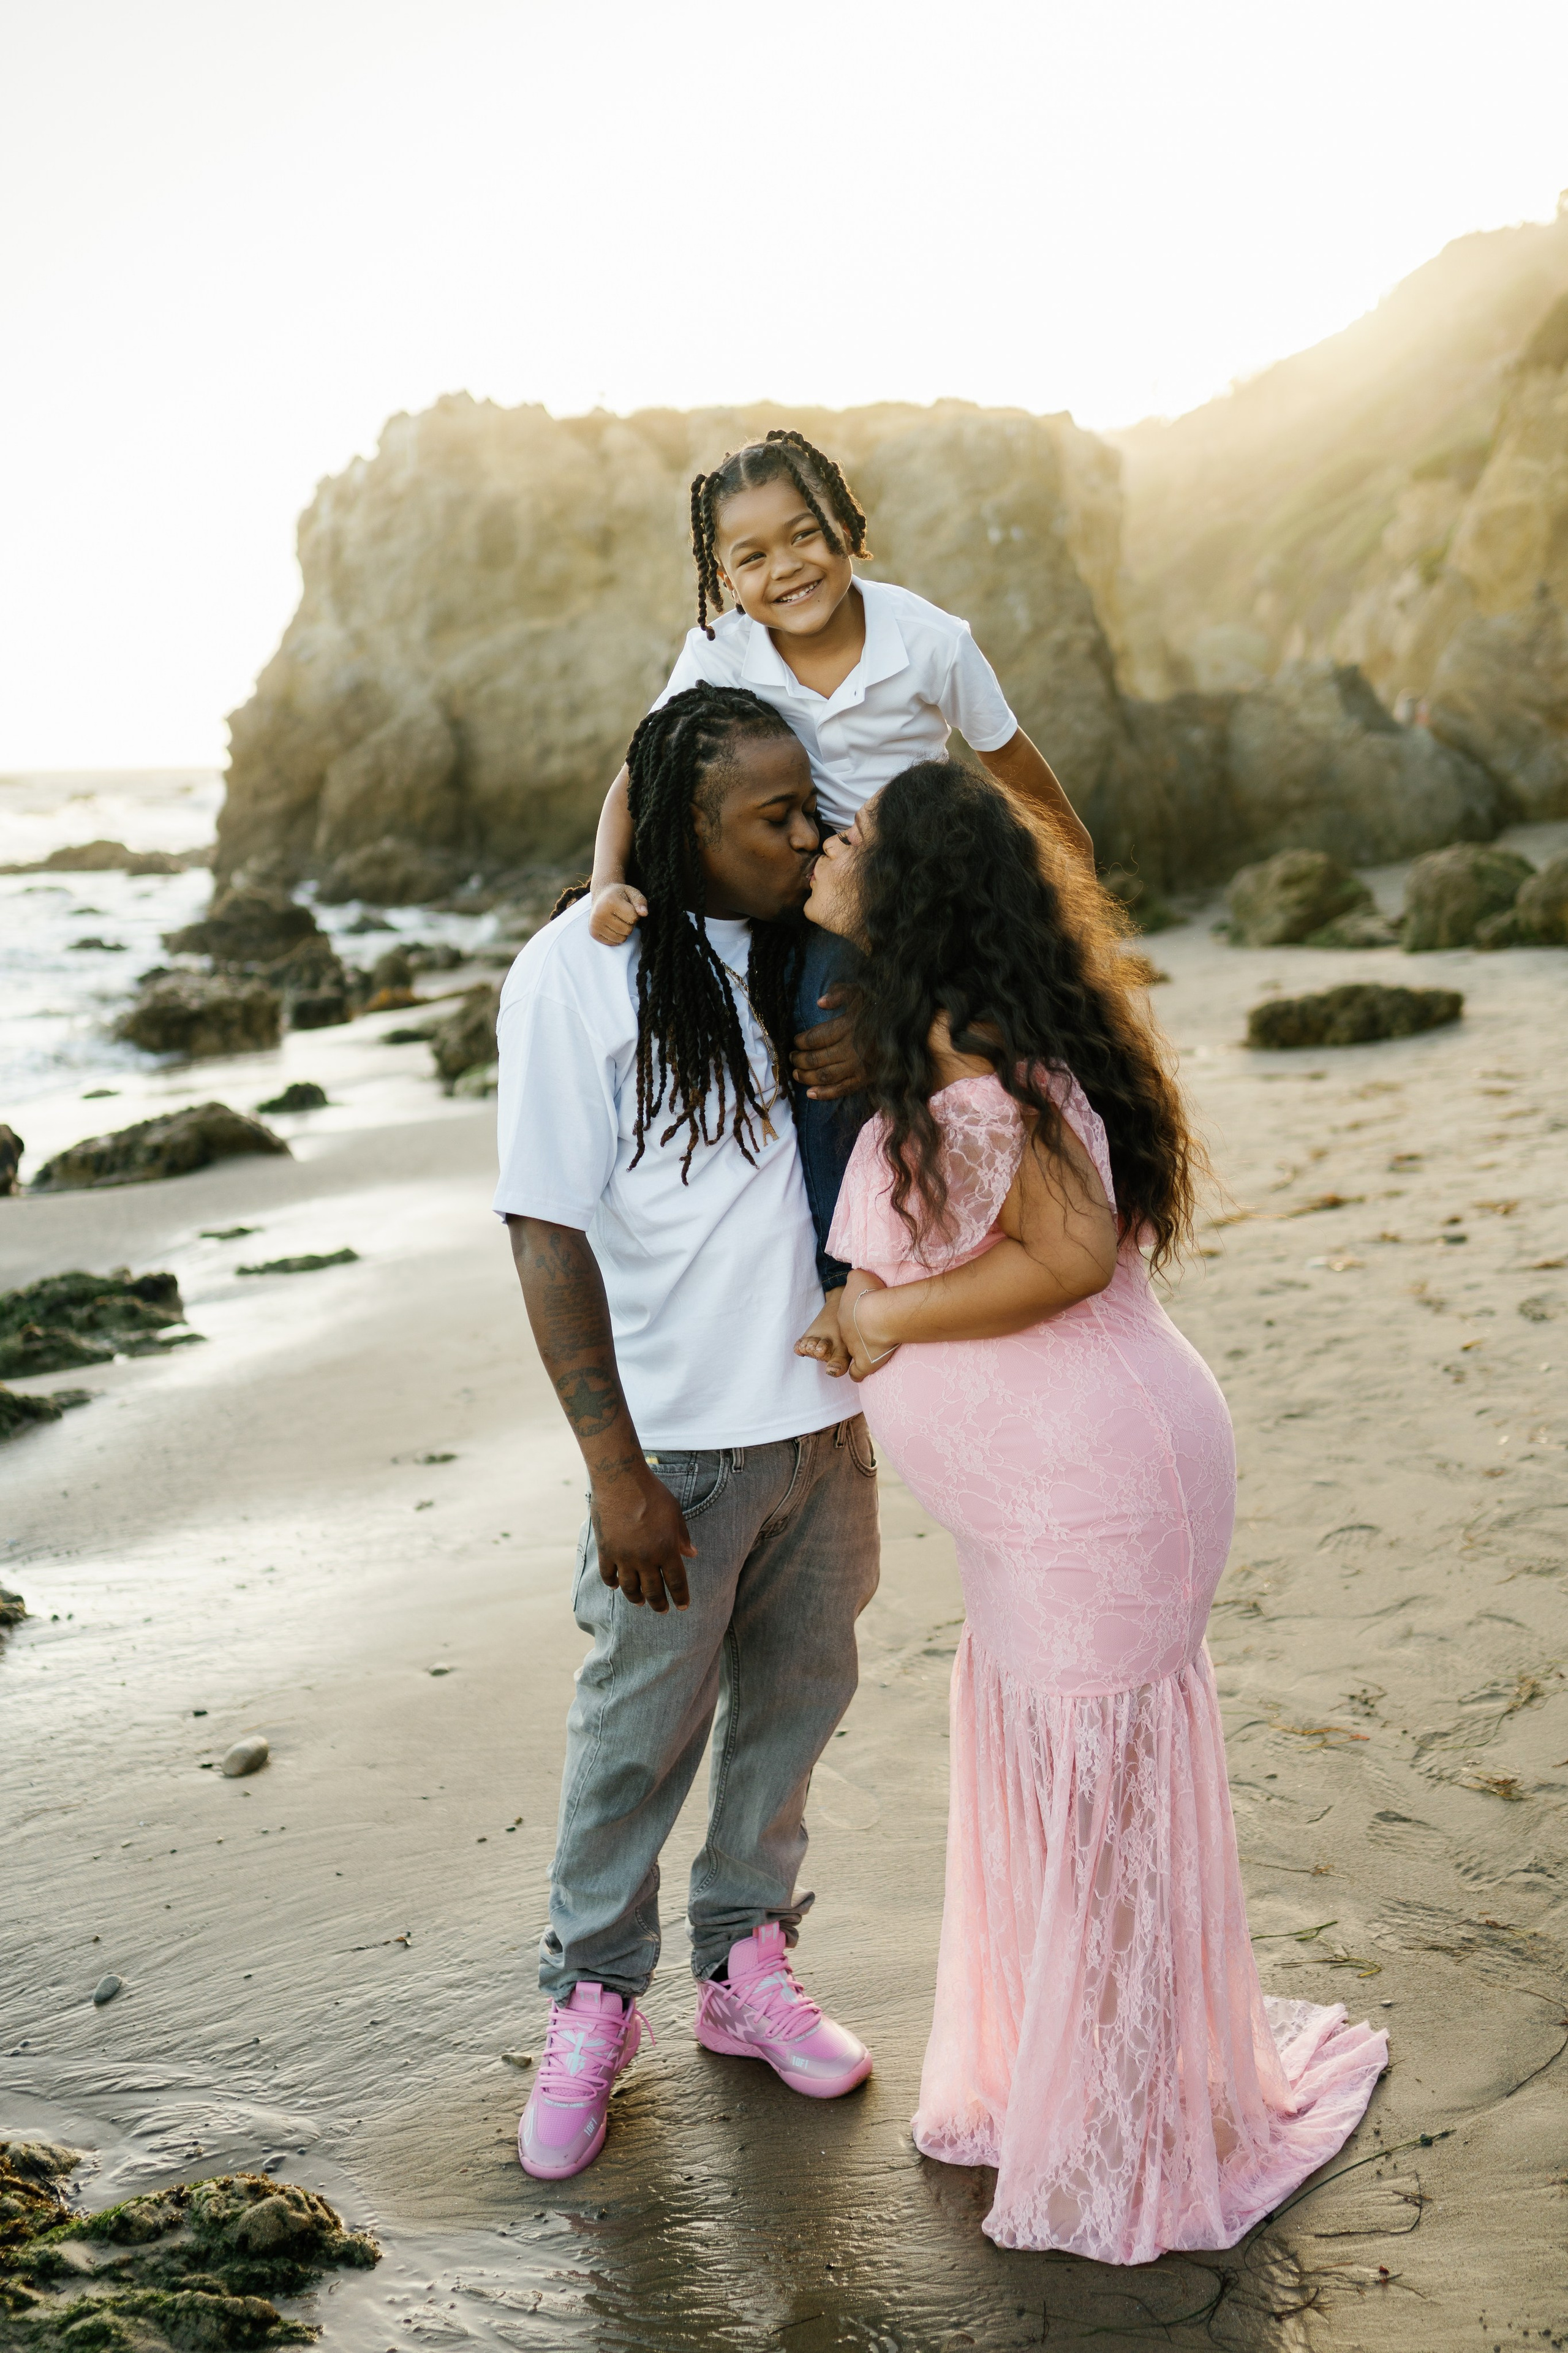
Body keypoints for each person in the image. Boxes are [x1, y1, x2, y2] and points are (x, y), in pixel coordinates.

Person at [800, 763, 1388, 2264]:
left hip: (1102, 1485)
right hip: (1041, 1504)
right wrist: (875, 1312)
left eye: (852, 833)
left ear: (913, 884)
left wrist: (884, 1320)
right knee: (1070, 1794)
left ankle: (1121, 2133)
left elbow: (1062, 1260)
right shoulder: (942, 1039)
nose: (823, 842)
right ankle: (1074, 2083)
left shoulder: (991, 1048)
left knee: (1096, 1798)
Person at [493, 681, 880, 2184]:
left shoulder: (819, 953)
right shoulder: (578, 970)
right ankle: (592, 1998)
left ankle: (744, 1968)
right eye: (770, 816)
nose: (807, 834)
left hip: (826, 1427)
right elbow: (544, 1227)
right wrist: (614, 1471)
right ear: (678, 827)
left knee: (794, 1714)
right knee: (632, 1742)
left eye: (809, 805)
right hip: (677, 1455)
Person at [584, 428, 1094, 1358]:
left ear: (846, 527)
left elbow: (1017, 771)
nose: (786, 567)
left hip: (916, 882)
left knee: (960, 1042)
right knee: (823, 1041)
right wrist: (609, 882)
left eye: (804, 534)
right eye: (752, 555)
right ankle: (845, 1272)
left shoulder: (929, 640)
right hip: (811, 885)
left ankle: (922, 1255)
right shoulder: (722, 648)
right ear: (723, 575)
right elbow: (640, 771)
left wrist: (1072, 890)